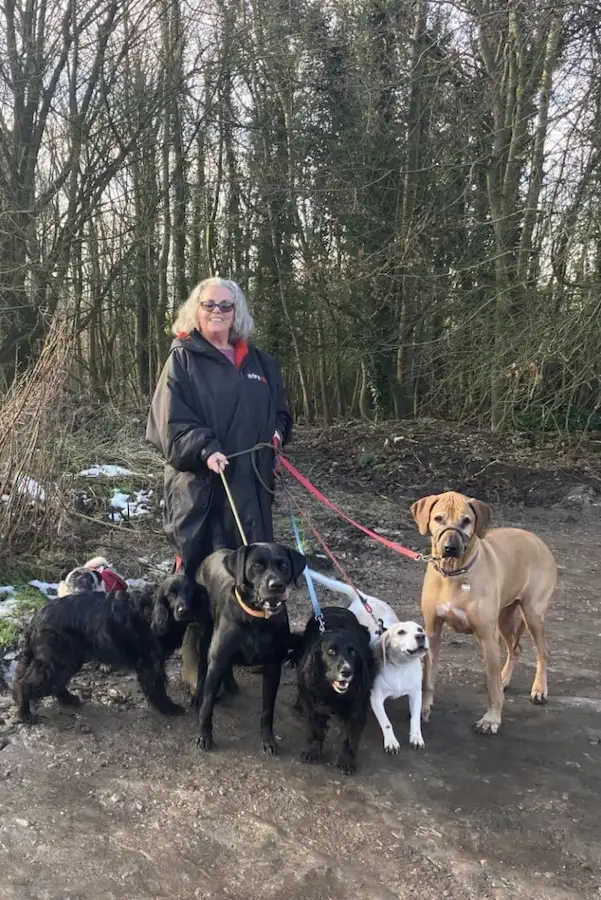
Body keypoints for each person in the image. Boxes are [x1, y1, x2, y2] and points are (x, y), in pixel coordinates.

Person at [146, 277, 292, 580]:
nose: (218, 311)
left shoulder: (262, 363)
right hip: (203, 491)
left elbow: (281, 413)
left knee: (253, 575)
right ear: (196, 311)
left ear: (236, 312)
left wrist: (276, 436)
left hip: (253, 488)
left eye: (226, 305)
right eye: (209, 304)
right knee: (204, 579)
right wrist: (204, 446)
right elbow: (169, 422)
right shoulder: (182, 359)